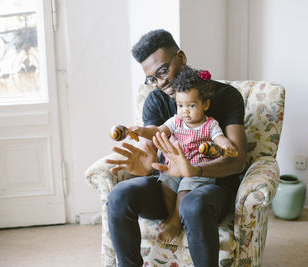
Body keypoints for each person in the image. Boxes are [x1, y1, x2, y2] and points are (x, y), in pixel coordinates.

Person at [105, 29, 247, 267]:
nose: (161, 83)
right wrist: (146, 163)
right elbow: (150, 143)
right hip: (169, 184)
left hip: (209, 190)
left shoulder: (227, 96)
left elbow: (238, 160)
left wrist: (195, 171)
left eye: (162, 71)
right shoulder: (155, 100)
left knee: (194, 204)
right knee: (119, 195)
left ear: (181, 57)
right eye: (152, 78)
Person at [128, 66, 238, 243]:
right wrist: (141, 131)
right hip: (173, 167)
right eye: (180, 105)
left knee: (185, 189)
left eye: (191, 105)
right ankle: (173, 214)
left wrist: (227, 146)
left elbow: (220, 138)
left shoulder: (210, 124)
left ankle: (175, 221)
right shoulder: (175, 121)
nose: (185, 111)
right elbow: (157, 132)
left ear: (205, 105)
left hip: (196, 168)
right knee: (166, 183)